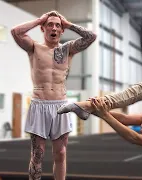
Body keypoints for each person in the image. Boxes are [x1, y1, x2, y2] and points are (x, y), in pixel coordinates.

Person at [11, 11, 96, 180]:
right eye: (50, 24)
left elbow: (91, 36)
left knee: (61, 153)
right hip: (39, 104)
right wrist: (40, 20)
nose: (54, 28)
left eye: (58, 25)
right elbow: (15, 32)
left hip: (60, 106)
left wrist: (68, 23)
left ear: (62, 30)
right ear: (43, 28)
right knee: (38, 153)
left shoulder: (68, 49)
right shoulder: (34, 48)